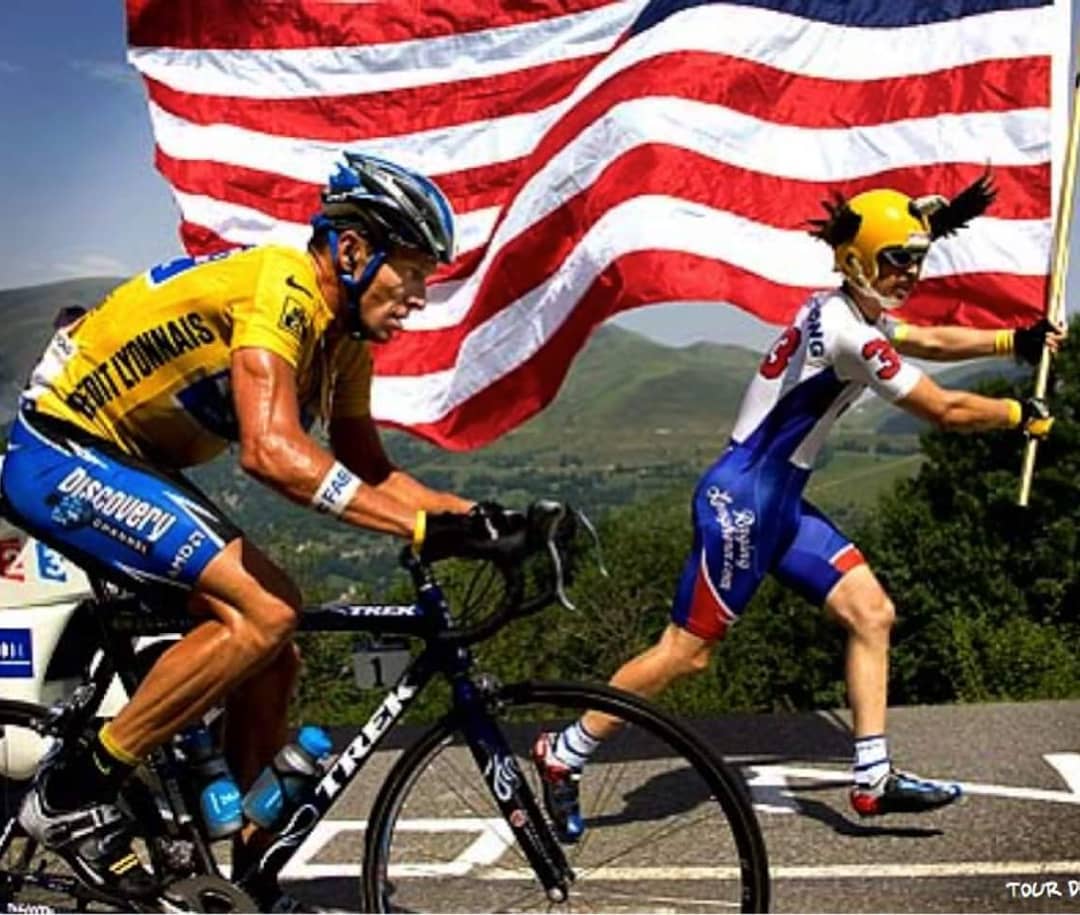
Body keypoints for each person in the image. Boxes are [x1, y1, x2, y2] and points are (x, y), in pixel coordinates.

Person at [0, 152, 523, 904]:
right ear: (351, 250)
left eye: (426, 276)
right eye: (408, 269)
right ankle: (72, 789)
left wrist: (476, 521)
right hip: (62, 447)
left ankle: (243, 866)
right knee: (266, 607)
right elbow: (271, 452)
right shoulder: (282, 287)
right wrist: (415, 527)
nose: (418, 294)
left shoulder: (346, 336)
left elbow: (367, 466)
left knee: (272, 658)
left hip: (128, 459)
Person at [533, 172, 1065, 838]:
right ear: (857, 260)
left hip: (779, 501)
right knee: (687, 652)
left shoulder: (844, 310)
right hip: (746, 501)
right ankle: (564, 751)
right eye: (897, 259)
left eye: (917, 259)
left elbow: (921, 338)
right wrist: (1019, 413)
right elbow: (946, 409)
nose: (910, 272)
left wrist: (1011, 341)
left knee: (871, 611)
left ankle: (871, 779)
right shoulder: (851, 334)